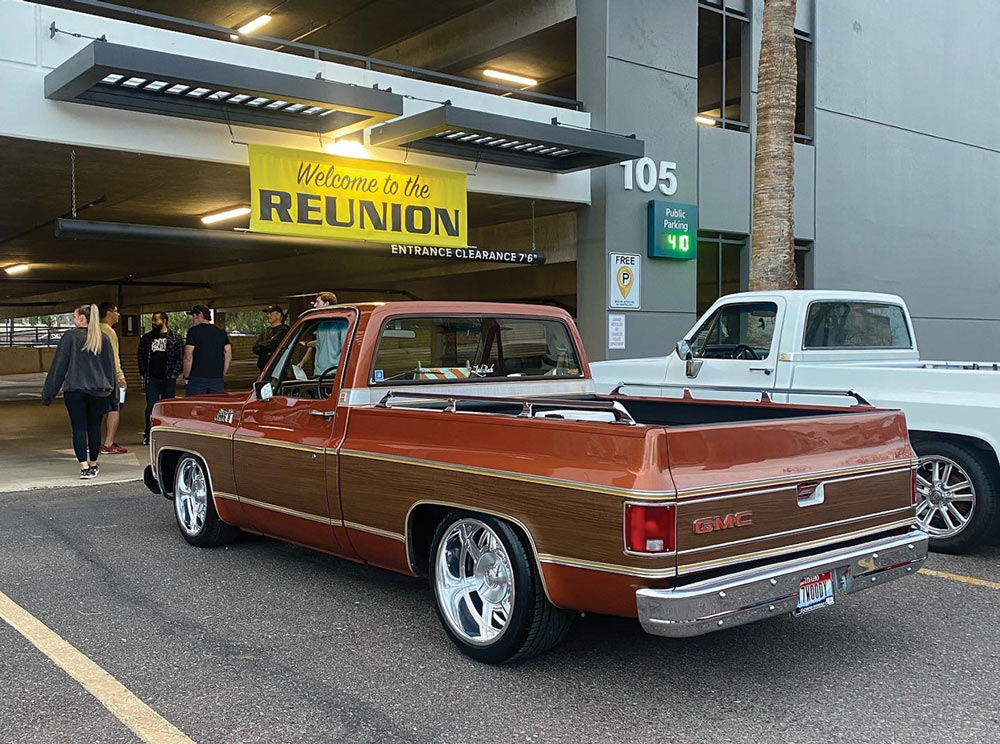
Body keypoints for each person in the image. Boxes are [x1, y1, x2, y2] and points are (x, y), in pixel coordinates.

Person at [42, 304, 116, 479]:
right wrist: (114, 398)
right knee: (95, 427)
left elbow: (58, 367)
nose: (73, 320)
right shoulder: (104, 339)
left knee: (79, 428)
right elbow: (110, 369)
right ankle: (93, 463)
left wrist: (48, 394)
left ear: (82, 318)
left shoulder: (70, 337)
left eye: (74, 317)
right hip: (100, 391)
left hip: (75, 389)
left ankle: (84, 467)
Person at [138, 311, 184, 445]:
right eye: (152, 320)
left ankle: (167, 435)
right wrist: (143, 372)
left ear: (164, 321)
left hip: (168, 378)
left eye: (155, 320)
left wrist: (174, 374)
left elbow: (180, 358)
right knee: (151, 408)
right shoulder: (147, 338)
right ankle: (149, 434)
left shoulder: (175, 337)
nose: (153, 322)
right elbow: (140, 355)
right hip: (152, 378)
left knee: (168, 408)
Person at [98, 302, 129, 455]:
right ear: (109, 313)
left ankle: (92, 441)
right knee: (114, 408)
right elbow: (113, 357)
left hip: (93, 377)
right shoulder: (109, 332)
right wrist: (120, 377)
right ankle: (108, 443)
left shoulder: (92, 330)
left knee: (94, 410)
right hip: (109, 377)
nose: (119, 315)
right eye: (116, 312)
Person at [183, 305, 232, 395]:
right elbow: (228, 354)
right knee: (215, 407)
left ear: (200, 315)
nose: (193, 319)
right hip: (217, 378)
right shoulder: (221, 332)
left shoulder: (193, 331)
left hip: (197, 378)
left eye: (194, 316)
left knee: (195, 407)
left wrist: (186, 376)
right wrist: (222, 373)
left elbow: (188, 356)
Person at [299, 291, 346, 377]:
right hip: (318, 373)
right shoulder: (321, 325)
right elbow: (319, 345)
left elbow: (345, 349)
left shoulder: (342, 324)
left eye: (318, 302)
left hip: (334, 373)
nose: (315, 305)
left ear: (326, 304)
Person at [251, 305, 289, 372]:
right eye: (268, 314)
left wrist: (262, 346)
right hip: (263, 365)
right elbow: (255, 346)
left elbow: (273, 343)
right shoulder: (266, 330)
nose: (268, 316)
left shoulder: (284, 330)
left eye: (271, 313)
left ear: (279, 315)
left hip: (277, 365)